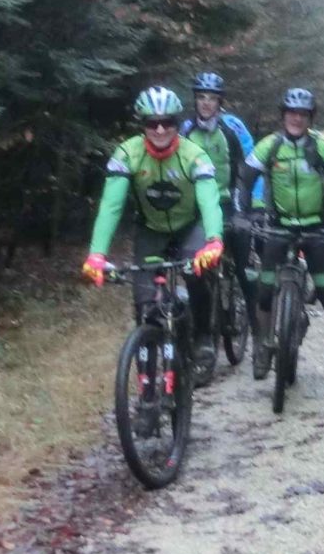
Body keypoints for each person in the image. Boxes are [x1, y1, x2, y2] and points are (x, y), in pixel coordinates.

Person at [80, 87, 227, 378]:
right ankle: (146, 380)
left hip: (190, 227)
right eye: (152, 123)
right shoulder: (128, 154)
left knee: (197, 272)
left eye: (167, 122)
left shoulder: (194, 155)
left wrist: (213, 240)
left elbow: (210, 201)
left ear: (177, 123)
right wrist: (97, 254)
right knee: (144, 304)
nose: (160, 129)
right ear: (142, 124)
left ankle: (203, 336)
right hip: (151, 230)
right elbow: (111, 206)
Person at [241, 88, 324, 395]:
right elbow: (246, 178)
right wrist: (244, 214)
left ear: (310, 118)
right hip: (279, 227)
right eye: (292, 113)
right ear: (283, 116)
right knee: (264, 291)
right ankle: (263, 346)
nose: (296, 119)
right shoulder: (270, 145)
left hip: (317, 227)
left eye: (303, 114)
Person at [183, 72, 254, 339]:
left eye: (212, 98)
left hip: (226, 203)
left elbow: (243, 172)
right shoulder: (185, 132)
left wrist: (245, 209)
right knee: (194, 267)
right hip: (194, 208)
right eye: (201, 97)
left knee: (243, 267)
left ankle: (258, 332)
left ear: (219, 102)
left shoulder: (229, 132)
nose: (206, 103)